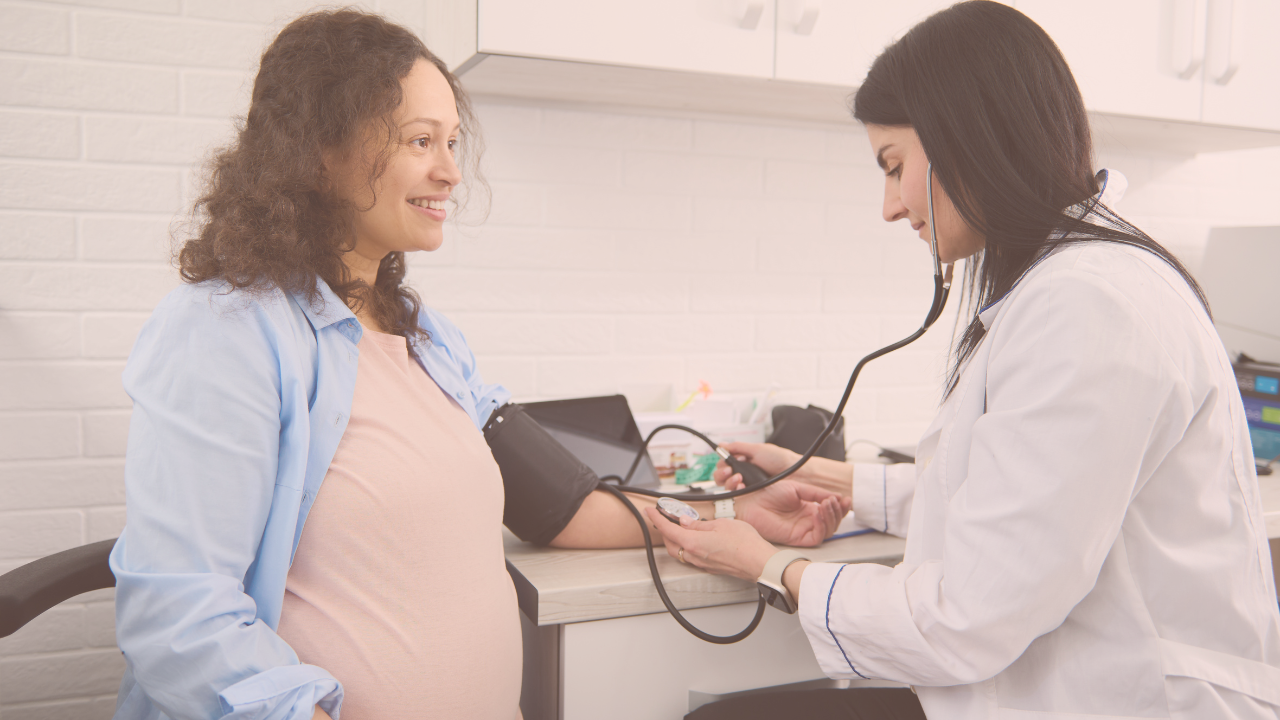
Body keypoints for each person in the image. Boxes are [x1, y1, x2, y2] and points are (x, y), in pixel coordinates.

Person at [107, 10, 849, 720]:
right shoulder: (228, 330)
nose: (450, 172)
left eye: (453, 142)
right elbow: (180, 613)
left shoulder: (429, 340)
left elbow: (552, 506)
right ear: (319, 151)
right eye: (420, 141)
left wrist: (731, 513)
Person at [648, 2, 1280, 719]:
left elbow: (968, 617)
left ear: (963, 138)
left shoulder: (1091, 307)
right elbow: (1020, 501)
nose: (889, 206)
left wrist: (765, 566)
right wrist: (837, 481)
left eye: (893, 167)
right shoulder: (1070, 286)